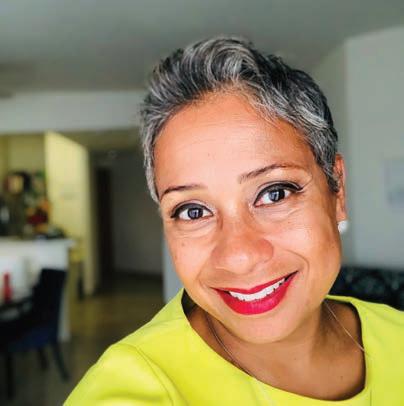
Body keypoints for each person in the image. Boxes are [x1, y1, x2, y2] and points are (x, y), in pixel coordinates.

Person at [65, 37, 404, 405]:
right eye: (193, 211)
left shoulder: (397, 334)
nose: (239, 256)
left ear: (337, 191)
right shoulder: (135, 385)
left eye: (274, 193)